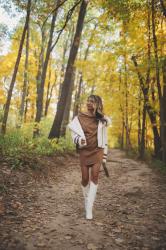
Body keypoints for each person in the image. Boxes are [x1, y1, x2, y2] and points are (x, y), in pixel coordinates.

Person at [68, 95, 110, 220]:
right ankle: (86, 201)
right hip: (85, 151)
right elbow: (73, 133)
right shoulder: (79, 117)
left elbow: (108, 126)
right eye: (88, 101)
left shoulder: (102, 118)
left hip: (98, 150)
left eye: (92, 101)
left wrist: (99, 113)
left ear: (97, 104)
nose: (89, 103)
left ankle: (89, 208)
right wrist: (78, 140)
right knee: (85, 178)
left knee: (95, 177)